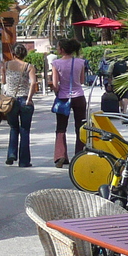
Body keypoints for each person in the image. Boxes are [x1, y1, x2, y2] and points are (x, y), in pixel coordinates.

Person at [50, 38, 89, 168]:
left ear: (62, 49)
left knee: (61, 128)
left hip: (63, 98)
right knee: (80, 127)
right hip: (79, 97)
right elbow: (82, 81)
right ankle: (79, 154)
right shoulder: (80, 62)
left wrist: (56, 89)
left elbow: (55, 85)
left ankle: (60, 156)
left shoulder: (56, 63)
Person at [0, 44, 37, 167]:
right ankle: (24, 161)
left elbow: (3, 81)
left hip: (10, 101)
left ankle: (11, 154)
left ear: (14, 54)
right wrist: (30, 99)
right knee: (25, 130)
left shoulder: (6, 65)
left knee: (13, 128)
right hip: (24, 99)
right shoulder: (29, 66)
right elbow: (33, 83)